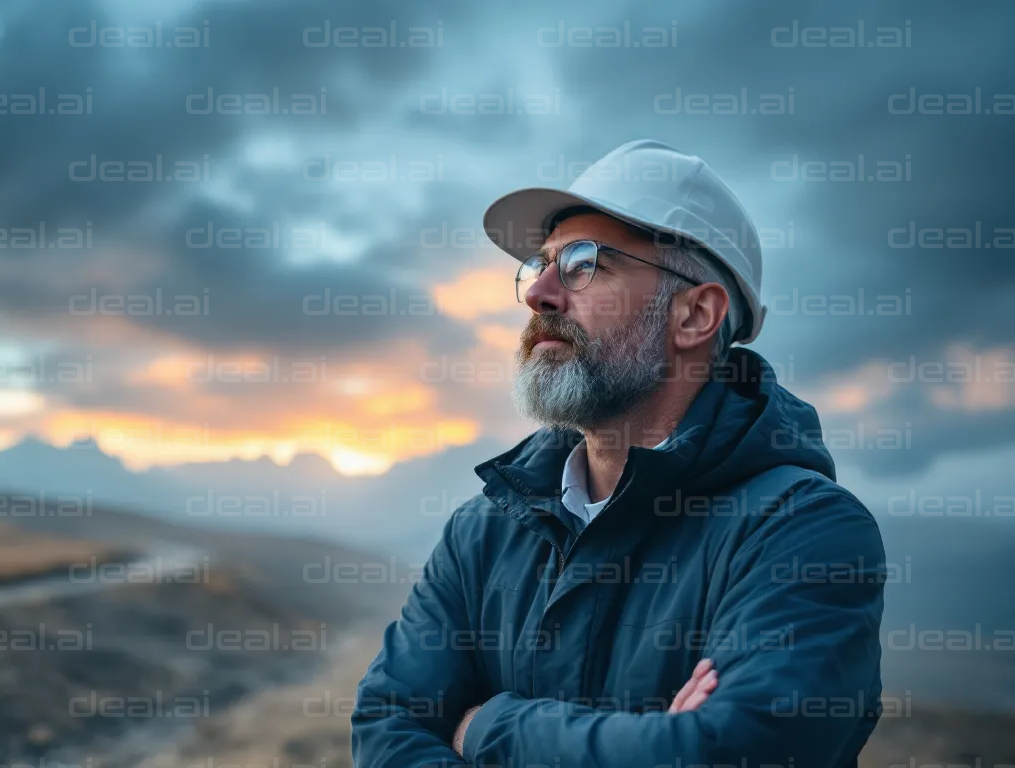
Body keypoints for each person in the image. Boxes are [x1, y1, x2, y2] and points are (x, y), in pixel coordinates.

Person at [351, 140, 886, 768]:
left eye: (583, 263)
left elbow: (731, 753)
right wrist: (651, 744)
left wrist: (487, 725)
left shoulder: (801, 530)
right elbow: (387, 727)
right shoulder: (487, 528)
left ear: (694, 314)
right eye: (540, 264)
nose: (539, 294)